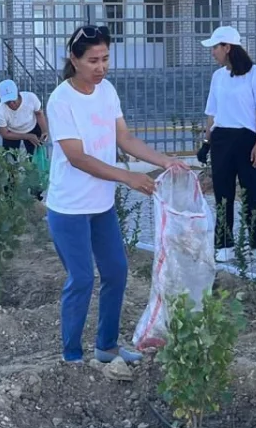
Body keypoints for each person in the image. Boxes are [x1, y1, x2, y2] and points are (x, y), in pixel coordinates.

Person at [45, 25, 186, 364]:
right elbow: (77, 157)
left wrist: (165, 160)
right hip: (68, 208)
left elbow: (125, 138)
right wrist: (127, 177)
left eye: (106, 58)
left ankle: (106, 346)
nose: (101, 67)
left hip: (101, 206)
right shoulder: (60, 100)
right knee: (81, 278)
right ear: (74, 59)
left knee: (116, 271)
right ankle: (72, 357)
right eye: (93, 60)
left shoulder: (107, 91)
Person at [201, 26, 256, 262]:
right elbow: (212, 113)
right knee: (223, 193)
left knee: (253, 193)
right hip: (222, 139)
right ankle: (223, 244)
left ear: (227, 48)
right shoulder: (218, 76)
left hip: (247, 140)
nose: (212, 53)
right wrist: (206, 142)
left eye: (215, 47)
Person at [0, 79, 48, 155]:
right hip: (12, 132)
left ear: (18, 94)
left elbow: (39, 114)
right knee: (10, 160)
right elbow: (4, 134)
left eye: (13, 99)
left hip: (32, 126)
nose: (11, 103)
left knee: (35, 157)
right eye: (8, 102)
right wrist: (27, 136)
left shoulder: (31, 98)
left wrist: (44, 131)